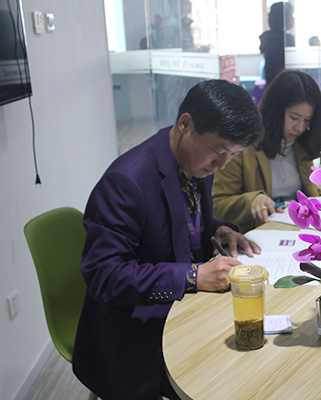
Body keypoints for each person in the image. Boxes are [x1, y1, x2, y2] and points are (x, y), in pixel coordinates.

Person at [72, 80, 264, 400]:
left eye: (234, 155)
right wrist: (193, 275)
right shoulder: (126, 181)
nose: (222, 165)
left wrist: (217, 230)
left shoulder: (195, 161)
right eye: (219, 151)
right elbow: (104, 275)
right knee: (229, 377)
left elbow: (176, 222)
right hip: (136, 331)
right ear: (185, 124)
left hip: (183, 309)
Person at [212, 70, 321, 234]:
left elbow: (307, 191)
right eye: (294, 117)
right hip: (258, 234)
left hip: (296, 230)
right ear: (275, 110)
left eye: (307, 120)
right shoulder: (240, 145)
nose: (300, 127)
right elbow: (217, 205)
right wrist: (252, 200)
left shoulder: (301, 144)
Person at [259, 1, 295, 86]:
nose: (293, 19)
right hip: (284, 86)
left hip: (272, 86)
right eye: (291, 15)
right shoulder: (284, 40)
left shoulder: (269, 38)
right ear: (283, 17)